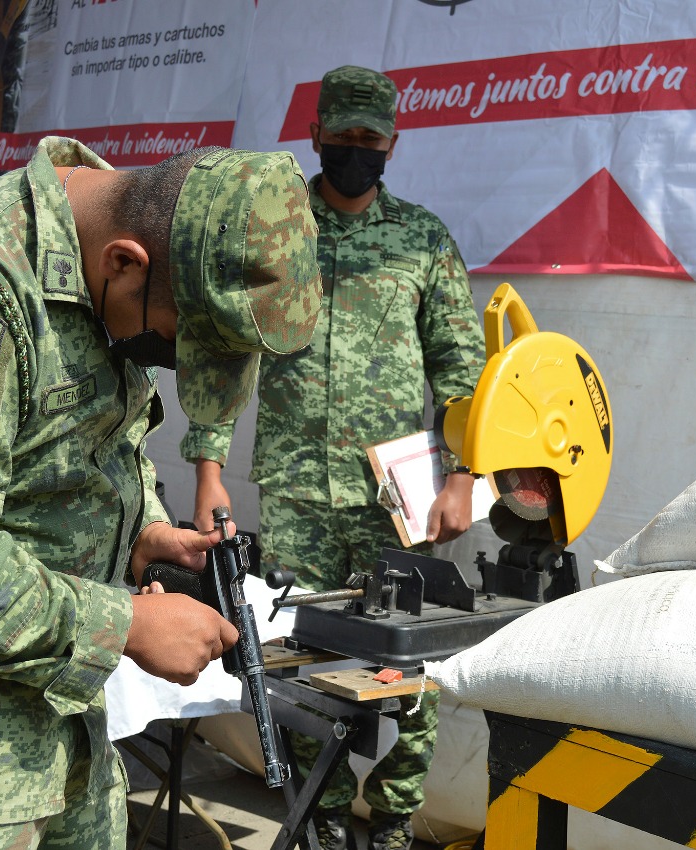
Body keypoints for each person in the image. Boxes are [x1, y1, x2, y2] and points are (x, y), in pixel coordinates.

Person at [0, 137, 322, 849]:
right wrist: (125, 626)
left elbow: (80, 452)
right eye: (171, 345)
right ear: (124, 263)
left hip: (60, 738)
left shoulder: (115, 270)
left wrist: (141, 531)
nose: (165, 362)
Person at [183, 66, 486, 850]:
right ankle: (316, 823)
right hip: (295, 493)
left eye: (370, 139)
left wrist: (466, 476)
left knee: (415, 673)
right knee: (307, 668)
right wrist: (209, 469)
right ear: (315, 136)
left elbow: (461, 368)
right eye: (342, 137)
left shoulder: (422, 240)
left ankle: (389, 826)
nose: (356, 151)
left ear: (392, 142)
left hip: (398, 500)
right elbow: (226, 353)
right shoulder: (278, 237)